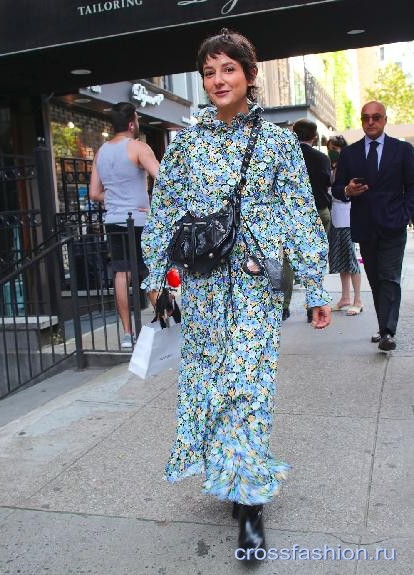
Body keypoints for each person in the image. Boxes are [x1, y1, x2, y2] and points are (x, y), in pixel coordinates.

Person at [141, 28, 331, 559]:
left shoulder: (275, 143)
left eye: (228, 69)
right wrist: (157, 277)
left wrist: (316, 287)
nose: (218, 80)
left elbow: (299, 215)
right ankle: (235, 472)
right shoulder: (187, 142)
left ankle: (250, 506)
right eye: (208, 71)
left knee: (247, 385)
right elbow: (165, 211)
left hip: (255, 285)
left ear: (249, 75)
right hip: (202, 288)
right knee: (210, 382)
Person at [332, 101, 414, 351]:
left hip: (393, 225)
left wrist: (406, 214)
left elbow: (412, 186)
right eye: (366, 117)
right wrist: (347, 190)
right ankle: (383, 327)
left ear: (385, 120)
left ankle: (388, 332)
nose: (371, 122)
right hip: (365, 226)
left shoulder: (402, 150)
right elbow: (336, 189)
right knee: (376, 280)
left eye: (376, 117)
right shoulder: (350, 153)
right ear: (361, 121)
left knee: (389, 278)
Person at [89, 102, 159, 348]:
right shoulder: (138, 147)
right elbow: (163, 179)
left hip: (114, 220)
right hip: (139, 220)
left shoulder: (101, 152)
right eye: (138, 119)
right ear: (131, 124)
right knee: (149, 271)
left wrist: (118, 199)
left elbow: (94, 192)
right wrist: (145, 201)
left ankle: (127, 334)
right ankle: (168, 321)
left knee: (122, 273)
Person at [281, 119, 332, 323]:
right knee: (314, 259)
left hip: (291, 215)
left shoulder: (285, 158)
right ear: (314, 136)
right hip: (318, 211)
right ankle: (314, 306)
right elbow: (328, 184)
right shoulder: (322, 159)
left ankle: (284, 307)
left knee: (286, 262)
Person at [326, 136, 363, 315]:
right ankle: (345, 297)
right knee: (341, 259)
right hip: (336, 217)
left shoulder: (349, 165)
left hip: (349, 217)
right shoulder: (332, 167)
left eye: (334, 148)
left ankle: (358, 299)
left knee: (351, 259)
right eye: (330, 148)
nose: (332, 151)